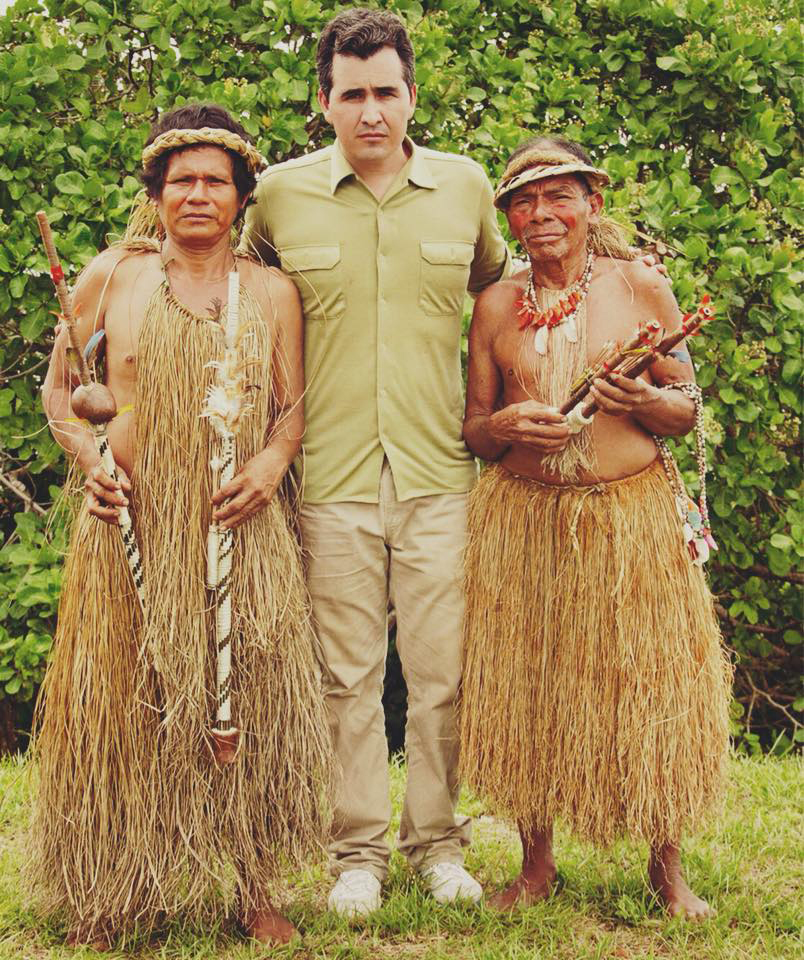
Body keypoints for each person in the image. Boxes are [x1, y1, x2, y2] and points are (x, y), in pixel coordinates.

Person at [30, 104, 331, 948]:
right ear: (156, 193)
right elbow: (62, 395)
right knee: (123, 706)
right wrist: (90, 460)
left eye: (216, 181)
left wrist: (271, 467)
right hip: (129, 526)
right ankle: (114, 887)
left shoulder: (270, 290)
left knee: (250, 704)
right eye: (182, 181)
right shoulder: (111, 278)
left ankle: (253, 884)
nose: (198, 195)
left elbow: (292, 407)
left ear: (240, 196)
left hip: (237, 528)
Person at [242, 8, 510, 915]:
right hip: (329, 477)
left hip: (441, 474)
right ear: (323, 102)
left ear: (410, 97)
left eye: (385, 93)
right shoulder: (277, 196)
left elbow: (499, 294)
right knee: (345, 674)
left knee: (442, 671)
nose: (369, 112)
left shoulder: (466, 188)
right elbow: (239, 297)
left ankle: (438, 844)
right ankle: (356, 854)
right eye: (351, 95)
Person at [459, 136, 733, 918]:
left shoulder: (642, 288)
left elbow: (686, 411)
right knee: (530, 690)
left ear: (592, 205)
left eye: (558, 197)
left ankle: (667, 868)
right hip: (525, 519)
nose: (540, 214)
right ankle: (536, 864)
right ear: (509, 216)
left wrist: (643, 403)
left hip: (631, 518)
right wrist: (509, 422)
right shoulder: (494, 305)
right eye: (523, 201)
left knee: (649, 684)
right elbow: (475, 430)